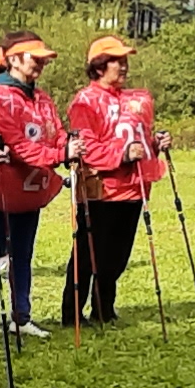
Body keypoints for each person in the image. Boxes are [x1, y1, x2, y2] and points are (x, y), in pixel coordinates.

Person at [61, 35, 162, 329]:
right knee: (88, 254)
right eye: (117, 60)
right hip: (101, 190)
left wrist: (154, 145)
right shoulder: (85, 101)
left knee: (117, 257)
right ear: (99, 66)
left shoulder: (134, 99)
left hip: (134, 188)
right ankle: (72, 314)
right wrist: (122, 154)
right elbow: (87, 147)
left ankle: (104, 309)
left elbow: (137, 140)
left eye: (125, 60)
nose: (124, 66)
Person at [0, 34, 67, 343]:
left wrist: (69, 146)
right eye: (34, 57)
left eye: (43, 58)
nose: (41, 63)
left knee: (22, 254)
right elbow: (18, 146)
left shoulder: (41, 97)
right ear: (13, 59)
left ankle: (21, 316)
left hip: (30, 192)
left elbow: (57, 133)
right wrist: (59, 155)